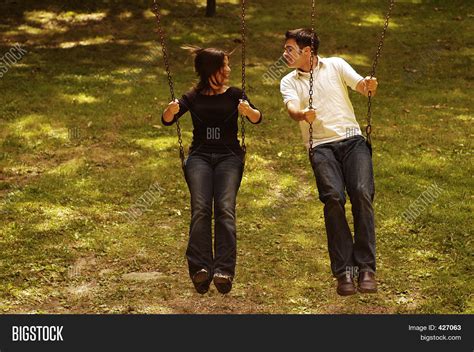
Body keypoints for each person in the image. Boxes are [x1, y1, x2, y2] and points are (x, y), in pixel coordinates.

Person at [280, 28, 379, 296]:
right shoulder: (289, 81)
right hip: (321, 147)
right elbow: (291, 108)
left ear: (307, 51)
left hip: (353, 141)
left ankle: (367, 267)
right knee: (334, 198)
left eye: (290, 49)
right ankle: (344, 271)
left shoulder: (335, 65)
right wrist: (302, 114)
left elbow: (359, 85)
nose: (285, 53)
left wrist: (367, 84)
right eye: (285, 49)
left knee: (361, 192)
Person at [162, 46, 262, 294]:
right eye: (224, 65)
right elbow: (167, 119)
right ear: (212, 70)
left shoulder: (235, 94)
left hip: (229, 157)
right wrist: (170, 110)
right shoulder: (193, 96)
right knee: (201, 209)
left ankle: (223, 270)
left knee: (225, 209)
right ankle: (200, 268)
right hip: (200, 158)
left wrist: (249, 112)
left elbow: (257, 117)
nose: (228, 69)